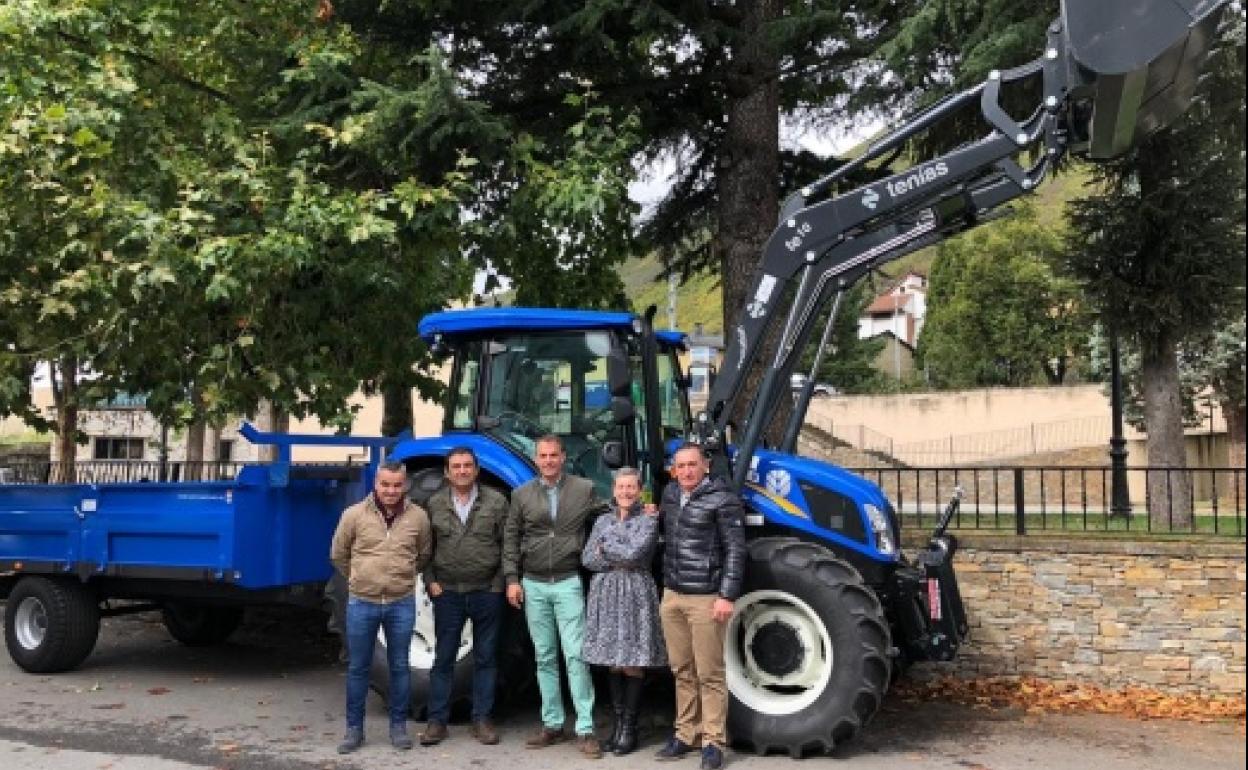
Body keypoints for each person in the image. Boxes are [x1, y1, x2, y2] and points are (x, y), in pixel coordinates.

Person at [504, 434, 604, 760]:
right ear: (536, 459)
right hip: (533, 583)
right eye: (543, 456)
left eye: (553, 455)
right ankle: (552, 723)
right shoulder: (521, 495)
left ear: (563, 457)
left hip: (567, 582)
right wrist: (511, 579)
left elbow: (610, 509)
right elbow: (511, 538)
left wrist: (639, 508)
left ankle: (586, 728)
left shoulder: (583, 489)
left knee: (576, 655)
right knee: (545, 655)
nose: (548, 461)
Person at [329, 461, 432, 754]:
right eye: (385, 485)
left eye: (397, 485)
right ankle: (354, 730)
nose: (391, 491)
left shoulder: (418, 518)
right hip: (362, 603)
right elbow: (339, 554)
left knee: (400, 667)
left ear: (405, 485)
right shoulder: (354, 516)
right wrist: (360, 578)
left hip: (401, 603)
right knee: (358, 667)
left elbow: (423, 554)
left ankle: (398, 727)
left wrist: (400, 577)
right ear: (376, 483)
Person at [655, 444, 746, 770]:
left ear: (705, 466)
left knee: (710, 673)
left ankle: (712, 742)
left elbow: (735, 550)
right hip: (673, 595)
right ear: (674, 470)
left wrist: (727, 595)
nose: (687, 471)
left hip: (706, 597)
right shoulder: (669, 495)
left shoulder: (723, 499)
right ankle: (685, 734)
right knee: (682, 670)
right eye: (681, 466)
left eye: (693, 465)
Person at [419, 447, 508, 747]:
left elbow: (507, 545)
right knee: (443, 658)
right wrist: (431, 581)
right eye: (456, 466)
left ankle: (481, 719)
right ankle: (437, 721)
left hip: (487, 592)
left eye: (467, 465)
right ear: (447, 472)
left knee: (486, 658)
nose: (462, 471)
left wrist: (500, 583)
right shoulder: (434, 504)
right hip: (449, 593)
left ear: (476, 469)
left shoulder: (496, 502)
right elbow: (425, 549)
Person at [581, 466, 666, 756]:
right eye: (621, 487)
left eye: (631, 487)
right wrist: (612, 550)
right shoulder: (602, 519)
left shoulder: (649, 519)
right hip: (605, 593)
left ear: (639, 490)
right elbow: (588, 558)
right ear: (613, 490)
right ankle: (617, 725)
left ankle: (629, 727)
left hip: (634, 593)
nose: (626, 492)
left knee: (632, 660)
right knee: (612, 661)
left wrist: (606, 545)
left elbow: (636, 555)